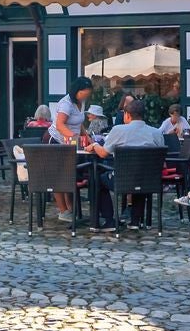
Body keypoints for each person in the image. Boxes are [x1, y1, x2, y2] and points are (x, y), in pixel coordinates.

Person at [87, 97, 165, 227]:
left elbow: (103, 153)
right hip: (149, 180)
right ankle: (135, 221)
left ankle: (109, 220)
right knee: (141, 173)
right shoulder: (156, 133)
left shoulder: (118, 130)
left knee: (97, 180)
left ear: (127, 115)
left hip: (122, 179)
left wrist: (94, 145)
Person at [48, 76, 93, 222]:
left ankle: (72, 209)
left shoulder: (81, 102)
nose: (85, 96)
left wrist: (88, 138)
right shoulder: (66, 104)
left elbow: (79, 123)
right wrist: (76, 138)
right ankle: (63, 211)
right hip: (57, 141)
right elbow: (61, 125)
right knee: (58, 175)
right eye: (83, 94)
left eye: (88, 94)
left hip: (71, 143)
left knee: (69, 174)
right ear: (76, 91)